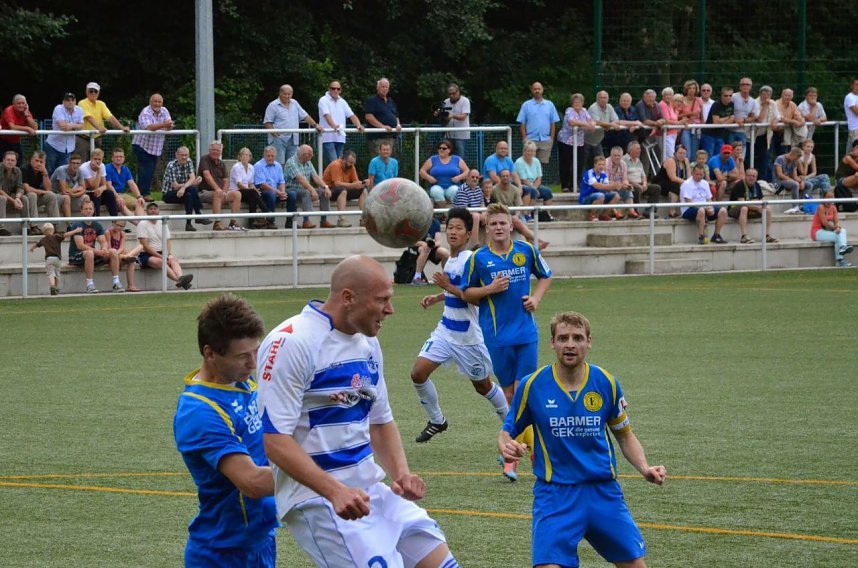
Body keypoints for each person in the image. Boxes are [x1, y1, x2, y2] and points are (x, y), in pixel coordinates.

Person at [256, 255, 459, 568]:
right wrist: (334, 491)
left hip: (370, 491)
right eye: (382, 300)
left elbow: (380, 421)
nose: (390, 309)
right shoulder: (292, 342)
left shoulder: (367, 342)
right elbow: (274, 440)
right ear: (348, 297)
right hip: (318, 500)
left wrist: (402, 474)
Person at [499, 311, 666, 568]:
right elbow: (506, 431)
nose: (570, 344)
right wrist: (505, 445)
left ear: (589, 342)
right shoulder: (532, 386)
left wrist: (645, 468)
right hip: (555, 496)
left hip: (602, 492)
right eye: (563, 338)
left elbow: (625, 435)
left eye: (577, 338)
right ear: (552, 343)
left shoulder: (606, 383)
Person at [174, 293, 278, 567]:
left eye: (256, 351)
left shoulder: (244, 381)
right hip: (221, 554)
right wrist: (325, 474)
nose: (253, 363)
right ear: (209, 353)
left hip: (260, 542)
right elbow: (252, 482)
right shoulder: (200, 411)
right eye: (243, 356)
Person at [462, 202, 552, 480]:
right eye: (493, 224)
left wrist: (536, 299)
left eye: (503, 223)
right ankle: (526, 448)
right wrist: (489, 289)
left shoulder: (526, 251)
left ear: (511, 226)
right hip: (496, 335)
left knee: (524, 391)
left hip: (526, 333)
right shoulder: (478, 259)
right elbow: (466, 293)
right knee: (511, 396)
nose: (499, 227)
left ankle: (511, 457)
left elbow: (546, 276)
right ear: (487, 228)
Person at [410, 207, 508, 443]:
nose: (453, 232)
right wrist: (438, 297)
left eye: (459, 228)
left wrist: (447, 287)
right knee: (418, 373)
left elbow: (478, 299)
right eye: (450, 227)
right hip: (445, 331)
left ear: (468, 234)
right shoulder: (451, 260)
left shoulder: (471, 261)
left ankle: (513, 424)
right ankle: (437, 420)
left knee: (483, 386)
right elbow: (456, 288)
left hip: (468, 337)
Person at [68, 198, 124, 293]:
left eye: (90, 209)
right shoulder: (77, 225)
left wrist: (104, 249)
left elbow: (103, 241)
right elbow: (80, 246)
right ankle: (89, 284)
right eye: (86, 209)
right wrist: (97, 251)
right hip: (76, 255)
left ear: (94, 210)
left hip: (92, 254)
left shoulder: (97, 225)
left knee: (113, 251)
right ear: (81, 211)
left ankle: (116, 282)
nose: (88, 211)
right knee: (89, 253)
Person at [136, 201, 193, 289]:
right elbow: (145, 246)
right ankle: (180, 281)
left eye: (155, 209)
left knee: (173, 259)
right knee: (161, 262)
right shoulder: (142, 224)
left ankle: (181, 278)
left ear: (158, 211)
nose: (153, 210)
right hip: (146, 254)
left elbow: (167, 242)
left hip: (162, 252)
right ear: (146, 211)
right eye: (151, 209)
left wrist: (167, 254)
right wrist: (161, 257)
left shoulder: (162, 222)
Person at [264, 84, 323, 165]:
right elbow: (267, 122)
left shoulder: (295, 103)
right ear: (280, 93)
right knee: (279, 164)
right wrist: (275, 135)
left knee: (293, 164)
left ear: (292, 94)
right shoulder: (273, 105)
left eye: (289, 94)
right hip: (279, 139)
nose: (287, 96)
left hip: (293, 139)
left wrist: (315, 125)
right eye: (285, 94)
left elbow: (305, 116)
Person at [491, 169, 549, 249]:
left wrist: (516, 215)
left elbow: (519, 205)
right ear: (500, 177)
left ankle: (533, 243)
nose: (505, 178)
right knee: (517, 222)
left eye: (507, 176)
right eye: (503, 176)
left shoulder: (515, 189)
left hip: (513, 213)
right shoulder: (494, 189)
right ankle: (538, 241)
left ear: (510, 177)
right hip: (501, 213)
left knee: (519, 221)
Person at [132, 93, 174, 200]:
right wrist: (164, 125)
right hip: (141, 145)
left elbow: (169, 124)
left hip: (155, 148)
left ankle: (140, 194)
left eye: (159, 102)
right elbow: (148, 127)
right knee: (147, 169)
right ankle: (144, 194)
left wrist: (169, 126)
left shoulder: (164, 110)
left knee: (148, 171)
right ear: (150, 102)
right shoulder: (145, 112)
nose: (157, 104)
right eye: (155, 101)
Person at [284, 144, 332, 229]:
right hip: (291, 189)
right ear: (304, 155)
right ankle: (306, 221)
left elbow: (315, 176)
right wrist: (312, 190)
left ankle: (324, 220)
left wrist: (326, 187)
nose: (311, 157)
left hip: (304, 188)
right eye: (310, 155)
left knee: (323, 192)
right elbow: (300, 179)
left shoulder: (308, 162)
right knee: (306, 193)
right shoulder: (291, 162)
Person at [76, 82, 129, 160]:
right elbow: (89, 117)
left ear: (98, 93)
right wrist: (99, 128)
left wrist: (121, 127)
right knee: (81, 162)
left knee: (97, 162)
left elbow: (110, 117)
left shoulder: (101, 104)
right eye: (91, 91)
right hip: (83, 139)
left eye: (95, 91)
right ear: (86, 92)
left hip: (97, 138)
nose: (93, 93)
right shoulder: (82, 103)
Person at [163, 146, 208, 231]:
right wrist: (188, 185)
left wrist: (185, 187)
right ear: (176, 155)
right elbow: (176, 186)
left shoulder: (189, 161)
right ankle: (198, 214)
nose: (184, 157)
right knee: (192, 188)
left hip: (183, 193)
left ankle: (188, 224)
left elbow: (192, 177)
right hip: (170, 193)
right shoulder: (171, 165)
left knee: (189, 195)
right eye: (181, 155)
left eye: (186, 155)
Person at [680, 164, 728, 244]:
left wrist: (710, 207)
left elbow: (709, 199)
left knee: (723, 210)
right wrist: (705, 209)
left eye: (701, 174)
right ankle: (701, 236)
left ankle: (716, 235)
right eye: (697, 174)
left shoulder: (705, 183)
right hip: (688, 209)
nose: (699, 176)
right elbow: (689, 202)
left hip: (704, 208)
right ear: (692, 173)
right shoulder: (686, 184)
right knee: (701, 210)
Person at [318, 80, 364, 163]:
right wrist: (334, 126)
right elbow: (326, 115)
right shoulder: (323, 100)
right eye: (333, 88)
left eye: (338, 89)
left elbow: (351, 115)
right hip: (328, 137)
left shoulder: (342, 102)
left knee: (340, 163)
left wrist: (358, 125)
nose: (336, 90)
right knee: (335, 163)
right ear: (329, 89)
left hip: (340, 138)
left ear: (340, 90)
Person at [29, 222, 81, 295]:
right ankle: (56, 287)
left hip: (49, 259)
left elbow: (36, 244)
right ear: (53, 230)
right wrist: (75, 231)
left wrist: (32, 248)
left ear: (43, 231)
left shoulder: (43, 239)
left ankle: (52, 286)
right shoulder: (56, 236)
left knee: (50, 273)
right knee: (57, 273)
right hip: (57, 259)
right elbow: (66, 234)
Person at [197, 141, 239, 231]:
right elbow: (207, 175)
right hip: (204, 192)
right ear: (209, 150)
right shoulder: (204, 159)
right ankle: (217, 222)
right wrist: (218, 189)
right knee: (218, 193)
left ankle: (233, 222)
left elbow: (226, 180)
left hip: (219, 193)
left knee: (237, 194)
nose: (215, 152)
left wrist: (224, 192)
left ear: (221, 152)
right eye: (213, 150)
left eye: (218, 150)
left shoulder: (222, 163)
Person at [728, 168, 777, 244]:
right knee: (744, 208)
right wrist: (756, 207)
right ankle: (744, 236)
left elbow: (761, 200)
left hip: (751, 208)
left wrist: (757, 205)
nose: (751, 178)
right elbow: (742, 202)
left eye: (754, 176)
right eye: (749, 175)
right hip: (735, 209)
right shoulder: (739, 185)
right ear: (745, 176)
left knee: (768, 209)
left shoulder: (757, 185)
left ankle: (767, 235)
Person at [557, 93, 594, 192]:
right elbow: (572, 122)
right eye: (575, 102)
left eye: (579, 102)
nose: (577, 104)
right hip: (566, 141)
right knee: (566, 164)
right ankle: (565, 185)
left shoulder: (584, 111)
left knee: (579, 164)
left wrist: (591, 125)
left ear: (582, 103)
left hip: (579, 142)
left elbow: (591, 121)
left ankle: (575, 185)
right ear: (572, 103)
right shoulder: (569, 110)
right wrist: (586, 124)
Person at [517, 82, 560, 165]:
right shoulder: (526, 105)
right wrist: (525, 138)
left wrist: (551, 138)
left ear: (542, 90)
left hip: (545, 139)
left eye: (539, 89)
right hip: (530, 139)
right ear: (532, 91)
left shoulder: (550, 105)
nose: (537, 91)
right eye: (535, 89)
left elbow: (553, 123)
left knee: (542, 165)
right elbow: (522, 123)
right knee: (528, 163)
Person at [322, 149, 366, 227]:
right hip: (329, 190)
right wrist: (353, 185)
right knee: (343, 191)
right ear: (344, 159)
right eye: (350, 162)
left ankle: (364, 218)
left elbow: (356, 181)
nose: (351, 165)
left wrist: (363, 183)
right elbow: (337, 184)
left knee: (363, 190)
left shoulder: (351, 166)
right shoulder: (335, 165)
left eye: (353, 163)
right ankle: (341, 219)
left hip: (343, 189)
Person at [419, 139, 468, 208]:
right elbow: (422, 171)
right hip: (437, 186)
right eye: (439, 148)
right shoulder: (433, 159)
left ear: (449, 150)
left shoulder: (457, 159)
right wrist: (429, 178)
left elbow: (467, 171)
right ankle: (444, 211)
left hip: (453, 186)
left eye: (444, 148)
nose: (441, 150)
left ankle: (452, 210)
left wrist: (459, 177)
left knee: (455, 190)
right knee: (435, 191)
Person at [811, 190, 854, 268]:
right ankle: (840, 259)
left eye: (831, 197)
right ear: (824, 198)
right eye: (828, 197)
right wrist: (835, 228)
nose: (830, 198)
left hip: (827, 230)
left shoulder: (833, 208)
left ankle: (842, 248)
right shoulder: (821, 207)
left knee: (842, 231)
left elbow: (836, 221)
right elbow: (825, 223)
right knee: (838, 236)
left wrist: (838, 227)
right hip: (817, 232)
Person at [228, 147, 267, 230]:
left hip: (247, 191)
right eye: (243, 155)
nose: (245, 157)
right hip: (236, 191)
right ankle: (265, 210)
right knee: (253, 193)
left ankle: (251, 222)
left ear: (250, 157)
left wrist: (254, 189)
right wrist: (252, 190)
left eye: (247, 155)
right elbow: (239, 184)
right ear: (240, 156)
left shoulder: (251, 167)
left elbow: (250, 183)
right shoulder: (236, 167)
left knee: (254, 197)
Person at [514, 140, 555, 221]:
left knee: (547, 191)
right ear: (524, 151)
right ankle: (527, 214)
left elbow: (539, 178)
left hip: (534, 184)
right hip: (522, 184)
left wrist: (535, 187)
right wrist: (533, 189)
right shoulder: (519, 162)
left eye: (532, 151)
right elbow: (523, 179)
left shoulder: (536, 161)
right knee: (532, 191)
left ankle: (548, 214)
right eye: (528, 151)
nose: (530, 153)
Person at [45, 92, 85, 174]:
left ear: (75, 101)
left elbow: (81, 126)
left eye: (72, 100)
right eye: (68, 100)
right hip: (53, 145)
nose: (70, 102)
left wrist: (71, 126)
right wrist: (76, 126)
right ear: (63, 101)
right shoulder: (58, 108)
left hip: (68, 148)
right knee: (48, 171)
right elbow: (63, 126)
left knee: (62, 172)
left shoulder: (80, 110)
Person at [21, 150, 61, 230]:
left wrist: (45, 173)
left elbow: (48, 188)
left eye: (41, 162)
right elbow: (27, 189)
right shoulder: (24, 169)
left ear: (44, 163)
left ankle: (54, 225)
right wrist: (43, 192)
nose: (38, 164)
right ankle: (34, 226)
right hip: (23, 197)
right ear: (31, 160)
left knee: (51, 195)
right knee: (32, 195)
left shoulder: (42, 170)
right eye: (36, 161)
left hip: (35, 197)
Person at [104, 147, 145, 219]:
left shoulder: (125, 169)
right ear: (112, 158)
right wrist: (117, 197)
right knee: (121, 204)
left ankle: (141, 223)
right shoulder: (107, 168)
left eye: (121, 156)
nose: (119, 158)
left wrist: (139, 197)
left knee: (139, 203)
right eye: (116, 157)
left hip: (123, 195)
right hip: (112, 196)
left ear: (124, 158)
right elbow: (109, 186)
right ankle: (139, 223)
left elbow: (132, 184)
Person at [255, 145, 290, 229]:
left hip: (275, 190)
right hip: (262, 191)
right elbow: (262, 184)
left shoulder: (278, 165)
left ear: (275, 156)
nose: (270, 158)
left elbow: (281, 181)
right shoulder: (258, 165)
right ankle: (270, 221)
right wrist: (277, 192)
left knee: (292, 195)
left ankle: (290, 222)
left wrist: (282, 192)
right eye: (268, 156)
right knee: (271, 194)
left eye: (272, 156)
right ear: (264, 156)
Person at [364, 77, 401, 154]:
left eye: (386, 87)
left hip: (391, 138)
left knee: (390, 160)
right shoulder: (372, 100)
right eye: (382, 86)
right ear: (377, 87)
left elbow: (396, 116)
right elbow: (369, 116)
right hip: (378, 139)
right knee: (379, 160)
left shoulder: (391, 101)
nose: (384, 89)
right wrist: (382, 126)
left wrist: (398, 124)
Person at [624, 141, 661, 217]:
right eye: (637, 149)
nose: (640, 150)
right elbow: (624, 177)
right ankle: (635, 212)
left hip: (640, 184)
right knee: (636, 189)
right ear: (631, 150)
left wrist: (644, 183)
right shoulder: (624, 160)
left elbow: (643, 175)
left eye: (640, 148)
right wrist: (637, 185)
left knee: (656, 188)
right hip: (630, 185)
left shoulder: (639, 161)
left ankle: (650, 211)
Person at [579, 156, 622, 221]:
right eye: (599, 164)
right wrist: (612, 186)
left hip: (598, 196)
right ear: (595, 165)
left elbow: (607, 188)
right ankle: (591, 215)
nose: (601, 166)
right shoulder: (589, 173)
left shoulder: (603, 173)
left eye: (603, 165)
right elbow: (597, 185)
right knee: (600, 195)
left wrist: (617, 185)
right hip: (585, 198)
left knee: (616, 195)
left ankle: (604, 215)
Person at [79, 148, 118, 218]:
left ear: (102, 159)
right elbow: (93, 185)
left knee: (109, 193)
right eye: (95, 159)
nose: (97, 161)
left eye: (99, 159)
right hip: (85, 192)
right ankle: (96, 220)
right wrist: (99, 171)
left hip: (95, 192)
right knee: (97, 194)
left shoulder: (102, 165)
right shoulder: (84, 168)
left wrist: (101, 189)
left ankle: (115, 220)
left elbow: (104, 185)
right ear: (91, 158)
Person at [411, 216, 450, 287]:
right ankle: (417, 278)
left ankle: (446, 278)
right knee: (426, 248)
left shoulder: (435, 223)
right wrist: (423, 243)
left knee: (445, 253)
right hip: (418, 247)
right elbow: (411, 241)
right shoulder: (416, 221)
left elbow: (438, 242)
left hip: (431, 247)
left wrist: (431, 244)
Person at [50, 153, 88, 225]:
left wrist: (74, 194)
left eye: (78, 163)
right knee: (66, 197)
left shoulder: (80, 171)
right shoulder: (61, 170)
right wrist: (77, 190)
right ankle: (69, 224)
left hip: (70, 194)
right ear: (69, 163)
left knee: (86, 197)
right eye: (73, 163)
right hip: (55, 195)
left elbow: (84, 189)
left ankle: (86, 223)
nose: (75, 165)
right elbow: (63, 191)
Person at [105, 219, 141, 292]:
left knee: (140, 247)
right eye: (118, 225)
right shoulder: (108, 232)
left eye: (122, 226)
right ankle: (127, 257)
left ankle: (131, 286)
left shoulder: (122, 233)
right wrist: (117, 254)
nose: (119, 227)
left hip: (120, 254)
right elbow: (109, 248)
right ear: (113, 223)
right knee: (114, 252)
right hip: (111, 255)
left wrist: (119, 253)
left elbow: (122, 247)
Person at [452, 169, 487, 246]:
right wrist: (480, 216)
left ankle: (487, 244)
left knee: (489, 216)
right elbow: (463, 210)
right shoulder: (462, 189)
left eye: (477, 177)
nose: (475, 179)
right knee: (476, 216)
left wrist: (484, 214)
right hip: (460, 215)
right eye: (473, 177)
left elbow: (482, 204)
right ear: (467, 177)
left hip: (475, 214)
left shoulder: (479, 189)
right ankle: (475, 244)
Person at [753, 85, 779, 182]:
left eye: (768, 95)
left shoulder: (773, 103)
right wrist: (765, 106)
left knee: (766, 157)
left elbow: (778, 116)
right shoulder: (755, 103)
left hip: (767, 134)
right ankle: (756, 179)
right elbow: (760, 119)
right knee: (754, 157)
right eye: (764, 94)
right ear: (760, 94)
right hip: (754, 134)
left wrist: (775, 121)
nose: (766, 97)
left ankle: (765, 180)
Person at [585, 90, 619, 165]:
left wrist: (608, 125)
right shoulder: (593, 108)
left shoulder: (609, 107)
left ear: (608, 99)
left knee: (601, 163)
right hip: (585, 140)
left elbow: (616, 120)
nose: (603, 99)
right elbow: (597, 122)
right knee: (582, 163)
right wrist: (610, 124)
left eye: (605, 97)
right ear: (597, 99)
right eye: (601, 97)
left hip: (597, 140)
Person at [0, 94, 38, 161]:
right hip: (3, 140)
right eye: (19, 103)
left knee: (19, 161)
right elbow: (12, 127)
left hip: (16, 141)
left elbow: (35, 127)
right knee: (3, 162)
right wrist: (27, 128)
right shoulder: (8, 110)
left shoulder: (26, 111)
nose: (21, 105)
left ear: (26, 104)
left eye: (23, 103)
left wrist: (26, 115)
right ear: (13, 104)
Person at [605, 145, 638, 219]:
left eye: (618, 156)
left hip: (618, 186)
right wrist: (619, 185)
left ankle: (632, 211)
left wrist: (626, 185)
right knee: (613, 193)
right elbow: (606, 181)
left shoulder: (623, 164)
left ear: (622, 156)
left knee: (628, 190)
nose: (617, 157)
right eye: (615, 155)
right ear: (611, 155)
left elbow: (624, 179)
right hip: (607, 187)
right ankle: (615, 212)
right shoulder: (606, 163)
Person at [702, 87, 735, 160]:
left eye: (730, 95)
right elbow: (716, 122)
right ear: (722, 96)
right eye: (726, 95)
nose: (728, 97)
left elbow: (732, 119)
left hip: (720, 135)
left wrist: (721, 120)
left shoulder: (731, 104)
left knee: (720, 157)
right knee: (709, 157)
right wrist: (727, 118)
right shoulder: (716, 104)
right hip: (709, 134)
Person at [774, 148, 810, 214]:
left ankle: (802, 206)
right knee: (795, 184)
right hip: (779, 180)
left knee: (809, 185)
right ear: (792, 154)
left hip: (788, 179)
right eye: (796, 158)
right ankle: (795, 206)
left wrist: (801, 181)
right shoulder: (780, 159)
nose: (796, 160)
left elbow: (794, 176)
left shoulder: (794, 161)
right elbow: (780, 175)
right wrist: (794, 181)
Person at [0, 151, 27, 236]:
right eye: (8, 160)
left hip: (9, 195)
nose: (10, 162)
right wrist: (13, 201)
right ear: (3, 160)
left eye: (12, 160)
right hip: (2, 195)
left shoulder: (17, 170)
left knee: (24, 198)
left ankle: (27, 227)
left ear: (15, 162)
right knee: (2, 198)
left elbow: (20, 187)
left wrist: (17, 198)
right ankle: (1, 228)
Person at [441, 83, 471, 158]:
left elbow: (463, 117)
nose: (451, 96)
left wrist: (452, 116)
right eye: (449, 94)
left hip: (461, 135)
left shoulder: (465, 101)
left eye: (453, 93)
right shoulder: (446, 101)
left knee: (460, 157)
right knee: (446, 155)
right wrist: (439, 114)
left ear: (458, 92)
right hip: (449, 134)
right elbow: (444, 116)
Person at [773, 88, 806, 155]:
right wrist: (794, 121)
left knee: (785, 154)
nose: (787, 97)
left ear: (792, 96)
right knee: (770, 155)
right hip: (773, 133)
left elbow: (797, 115)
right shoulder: (776, 104)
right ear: (782, 95)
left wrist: (802, 120)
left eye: (789, 95)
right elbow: (780, 118)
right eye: (786, 95)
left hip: (785, 133)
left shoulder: (793, 104)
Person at [677, 80, 704, 156]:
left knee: (694, 153)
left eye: (693, 88)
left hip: (696, 128)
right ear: (686, 89)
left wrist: (702, 128)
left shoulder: (699, 100)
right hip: (686, 128)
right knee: (686, 152)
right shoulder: (682, 100)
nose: (692, 90)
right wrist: (689, 114)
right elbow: (676, 116)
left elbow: (702, 116)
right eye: (690, 88)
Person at [731, 77, 759, 149]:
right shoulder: (732, 97)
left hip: (742, 131)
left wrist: (744, 120)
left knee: (741, 154)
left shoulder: (753, 101)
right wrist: (735, 120)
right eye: (743, 84)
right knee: (729, 153)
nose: (745, 86)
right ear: (740, 87)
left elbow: (753, 116)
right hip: (729, 131)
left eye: (747, 84)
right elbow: (726, 111)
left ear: (750, 87)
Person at [845, 78, 858, 151]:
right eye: (856, 84)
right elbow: (856, 112)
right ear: (852, 86)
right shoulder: (849, 97)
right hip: (854, 129)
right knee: (853, 152)